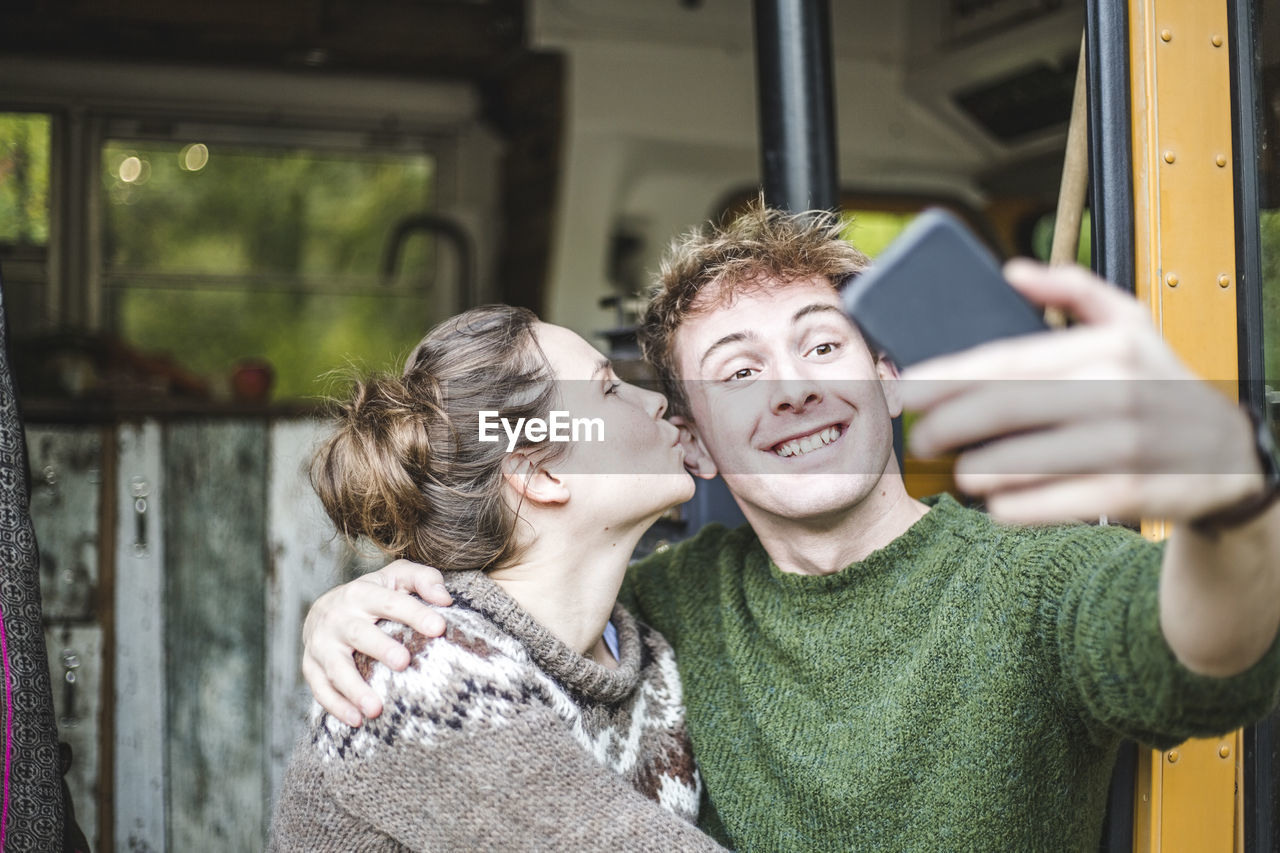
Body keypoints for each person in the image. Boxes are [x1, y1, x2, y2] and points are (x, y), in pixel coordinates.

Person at [299, 204, 1280, 851]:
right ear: (692, 438)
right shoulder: (655, 611)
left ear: (886, 375)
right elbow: (489, 636)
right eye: (735, 371)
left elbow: (1203, 654)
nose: (793, 384)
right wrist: (366, 604)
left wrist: (1228, 500)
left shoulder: (1035, 579)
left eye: (821, 344)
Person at [268, 305, 725, 850]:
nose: (653, 402)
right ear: (541, 474)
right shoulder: (422, 671)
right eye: (609, 389)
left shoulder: (648, 663)